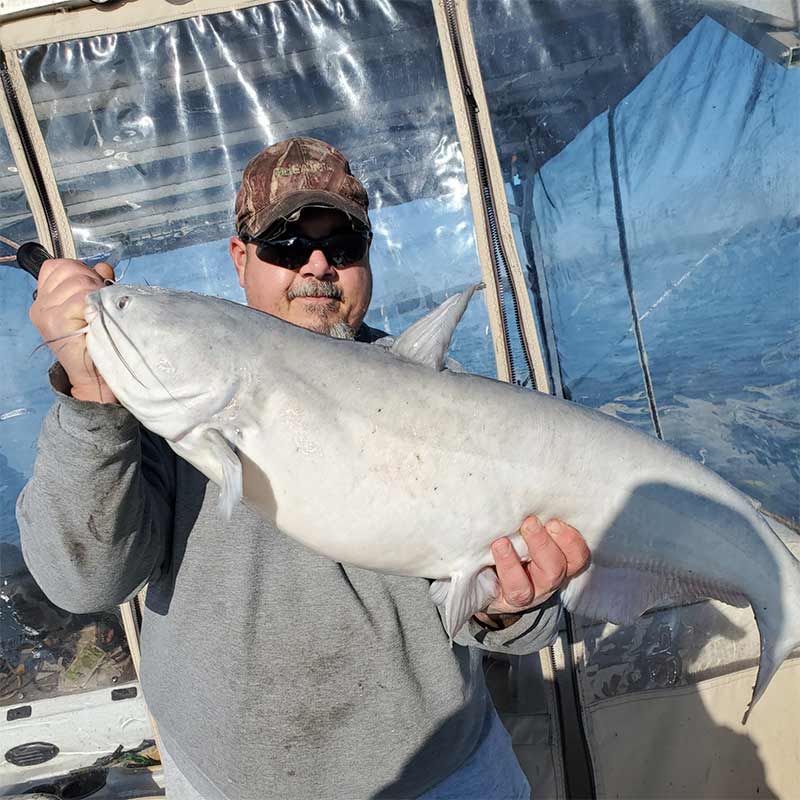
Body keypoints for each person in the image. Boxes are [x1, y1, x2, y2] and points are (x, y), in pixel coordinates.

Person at [17, 137, 590, 799]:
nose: (317, 263)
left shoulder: (449, 394)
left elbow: (525, 623)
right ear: (241, 258)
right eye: (286, 243)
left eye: (343, 244)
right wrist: (92, 397)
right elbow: (83, 582)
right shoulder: (155, 402)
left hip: (446, 777)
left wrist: (510, 607)